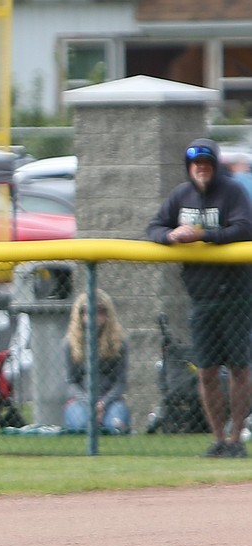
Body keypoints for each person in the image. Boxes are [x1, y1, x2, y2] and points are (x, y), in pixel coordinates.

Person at [147, 138, 252, 458]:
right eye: (196, 165)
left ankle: (237, 437)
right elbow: (154, 227)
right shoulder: (181, 195)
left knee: (239, 369)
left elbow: (244, 228)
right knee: (205, 371)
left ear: (215, 165)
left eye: (206, 164)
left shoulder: (232, 192)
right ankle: (218, 438)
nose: (201, 169)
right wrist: (169, 236)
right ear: (189, 167)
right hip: (201, 298)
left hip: (236, 297)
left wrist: (201, 234)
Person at [62, 290, 131, 435]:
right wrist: (89, 402)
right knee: (83, 427)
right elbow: (70, 383)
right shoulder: (70, 344)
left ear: (108, 314)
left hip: (111, 401)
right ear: (80, 315)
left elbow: (121, 383)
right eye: (88, 311)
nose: (94, 316)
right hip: (80, 400)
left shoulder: (119, 343)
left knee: (115, 427)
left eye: (100, 311)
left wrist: (103, 403)